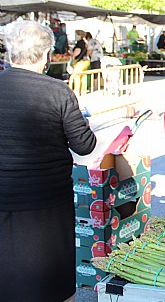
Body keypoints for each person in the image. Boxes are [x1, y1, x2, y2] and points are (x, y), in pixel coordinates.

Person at [0, 20, 96, 302]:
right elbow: (85, 145)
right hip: (47, 201)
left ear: (9, 52)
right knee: (49, 280)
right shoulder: (58, 92)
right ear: (46, 55)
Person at [70, 30, 91, 95]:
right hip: (86, 61)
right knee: (83, 76)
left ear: (79, 35)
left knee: (76, 75)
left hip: (80, 62)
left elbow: (77, 51)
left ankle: (76, 91)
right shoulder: (85, 42)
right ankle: (83, 90)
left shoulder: (79, 43)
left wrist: (73, 56)